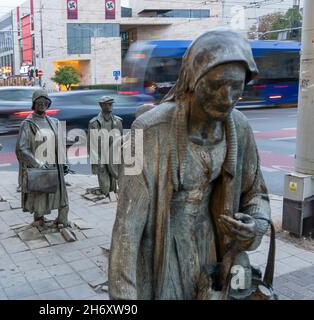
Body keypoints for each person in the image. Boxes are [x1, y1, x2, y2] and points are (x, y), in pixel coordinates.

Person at [109, 28, 271, 300]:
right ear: (193, 79)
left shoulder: (239, 128)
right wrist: (124, 298)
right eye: (216, 85)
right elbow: (127, 226)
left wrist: (255, 224)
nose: (227, 98)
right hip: (165, 246)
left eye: (236, 87)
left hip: (212, 246)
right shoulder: (149, 131)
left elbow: (256, 192)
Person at [16, 89, 70, 227]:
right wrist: (37, 163)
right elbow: (22, 148)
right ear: (33, 104)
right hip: (39, 165)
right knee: (40, 193)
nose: (42, 104)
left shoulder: (54, 121)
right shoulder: (27, 124)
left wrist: (64, 162)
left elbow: (61, 144)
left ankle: (62, 219)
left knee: (61, 193)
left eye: (45, 102)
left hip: (55, 164)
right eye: (39, 102)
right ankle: (39, 218)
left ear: (48, 104)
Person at [88, 96, 123, 196]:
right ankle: (106, 194)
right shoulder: (94, 123)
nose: (111, 105)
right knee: (105, 186)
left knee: (113, 183)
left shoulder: (118, 121)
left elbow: (121, 141)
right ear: (102, 105)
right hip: (101, 156)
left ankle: (111, 196)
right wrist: (96, 161)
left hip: (114, 157)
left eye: (112, 103)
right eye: (109, 103)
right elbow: (92, 144)